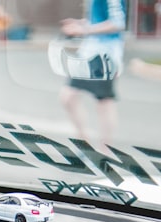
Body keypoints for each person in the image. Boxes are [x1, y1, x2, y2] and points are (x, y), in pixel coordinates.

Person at [58, 0, 126, 147]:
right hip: (89, 52)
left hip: (104, 55)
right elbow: (100, 19)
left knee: (103, 102)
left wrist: (84, 30)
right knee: (68, 97)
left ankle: (105, 150)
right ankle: (85, 144)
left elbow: (118, 23)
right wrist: (80, 23)